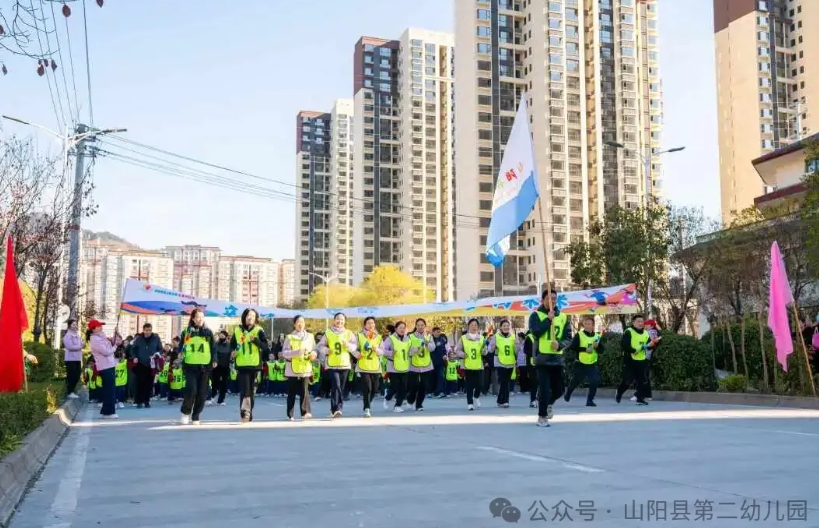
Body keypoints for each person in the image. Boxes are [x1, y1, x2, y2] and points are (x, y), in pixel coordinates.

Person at [529, 289, 573, 427]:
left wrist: (559, 345)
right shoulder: (536, 315)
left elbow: (568, 338)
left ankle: (548, 403)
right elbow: (535, 332)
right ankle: (542, 416)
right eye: (549, 298)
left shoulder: (563, 316)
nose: (552, 301)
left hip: (557, 359)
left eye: (554, 298)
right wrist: (548, 320)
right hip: (542, 358)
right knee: (544, 388)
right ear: (543, 300)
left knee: (559, 389)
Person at [179, 309, 217, 425]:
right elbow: (181, 346)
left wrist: (214, 360)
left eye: (202, 317)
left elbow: (213, 348)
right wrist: (180, 353)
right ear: (193, 318)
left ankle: (196, 415)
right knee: (191, 390)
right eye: (198, 317)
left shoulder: (208, 332)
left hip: (205, 366)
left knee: (202, 392)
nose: (200, 319)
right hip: (190, 366)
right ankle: (186, 412)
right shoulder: (187, 332)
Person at [231, 308, 269, 423]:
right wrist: (232, 352)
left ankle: (248, 413)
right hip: (242, 364)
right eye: (248, 315)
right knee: (245, 390)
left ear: (256, 318)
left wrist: (255, 340)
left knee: (251, 391)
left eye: (253, 316)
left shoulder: (259, 330)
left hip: (254, 365)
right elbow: (232, 345)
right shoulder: (237, 330)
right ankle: (245, 414)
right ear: (244, 317)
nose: (250, 317)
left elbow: (265, 346)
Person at [317, 313, 357, 418]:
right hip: (332, 364)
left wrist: (347, 345)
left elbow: (354, 346)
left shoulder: (349, 333)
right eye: (338, 319)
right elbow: (320, 346)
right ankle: (337, 409)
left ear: (345, 321)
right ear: (334, 320)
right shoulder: (328, 332)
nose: (340, 321)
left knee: (340, 387)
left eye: (342, 319)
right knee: (336, 386)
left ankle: (335, 408)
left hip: (344, 364)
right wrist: (326, 350)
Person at [616, 314, 657, 406]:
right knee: (628, 380)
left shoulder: (646, 333)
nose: (640, 323)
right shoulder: (629, 331)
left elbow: (649, 346)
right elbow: (624, 345)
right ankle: (619, 392)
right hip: (630, 360)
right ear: (633, 322)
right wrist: (633, 351)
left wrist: (651, 345)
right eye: (638, 321)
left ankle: (640, 399)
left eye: (642, 321)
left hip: (642, 360)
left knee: (642, 380)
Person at [282, 315, 316, 420]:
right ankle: (290, 414)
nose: (300, 324)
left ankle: (305, 412)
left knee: (304, 391)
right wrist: (297, 352)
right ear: (294, 324)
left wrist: (314, 354)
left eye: (302, 322)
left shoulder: (310, 336)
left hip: (305, 368)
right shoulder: (289, 337)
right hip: (292, 368)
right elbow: (285, 353)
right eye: (298, 322)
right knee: (291, 392)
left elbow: (314, 349)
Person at [563, 316, 604, 407]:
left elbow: (602, 350)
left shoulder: (597, 336)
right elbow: (573, 347)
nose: (587, 326)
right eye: (586, 324)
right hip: (580, 363)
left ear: (593, 326)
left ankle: (590, 401)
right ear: (584, 325)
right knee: (576, 381)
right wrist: (585, 349)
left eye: (589, 324)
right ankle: (568, 393)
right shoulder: (579, 335)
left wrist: (597, 347)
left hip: (592, 363)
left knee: (594, 381)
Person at [454, 319, 488, 411]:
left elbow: (485, 350)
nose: (474, 327)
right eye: (472, 325)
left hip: (479, 365)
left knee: (480, 384)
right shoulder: (463, 338)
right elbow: (457, 350)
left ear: (478, 327)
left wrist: (484, 351)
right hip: (467, 365)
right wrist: (462, 354)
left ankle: (476, 396)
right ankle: (470, 403)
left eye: (476, 325)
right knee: (469, 385)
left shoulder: (481, 338)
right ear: (468, 326)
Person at [128, 323, 163, 409]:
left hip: (152, 364)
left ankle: (147, 401)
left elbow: (160, 349)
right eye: (146, 330)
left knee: (149, 384)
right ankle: (139, 401)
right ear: (143, 330)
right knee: (140, 383)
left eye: (149, 330)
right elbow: (133, 349)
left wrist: (157, 354)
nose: (148, 332)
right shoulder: (138, 339)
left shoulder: (156, 338)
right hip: (140, 363)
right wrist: (134, 357)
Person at [353, 316, 383, 418]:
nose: (371, 325)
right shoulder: (359, 336)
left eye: (372, 323)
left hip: (375, 366)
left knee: (375, 388)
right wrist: (357, 354)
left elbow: (382, 351)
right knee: (368, 387)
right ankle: (367, 408)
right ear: (365, 325)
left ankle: (367, 403)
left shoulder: (379, 337)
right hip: (363, 365)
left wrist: (376, 350)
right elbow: (353, 348)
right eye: (368, 323)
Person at [88, 319, 118, 419]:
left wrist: (115, 334)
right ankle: (109, 412)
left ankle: (106, 411)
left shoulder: (101, 337)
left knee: (109, 390)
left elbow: (110, 345)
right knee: (109, 390)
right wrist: (115, 347)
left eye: (101, 325)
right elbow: (106, 352)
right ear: (93, 329)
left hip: (109, 365)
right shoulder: (95, 339)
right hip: (105, 367)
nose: (101, 327)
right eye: (99, 326)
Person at [381, 321, 411, 413]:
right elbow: (382, 350)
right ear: (396, 329)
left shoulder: (407, 339)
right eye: (400, 328)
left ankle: (398, 406)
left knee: (403, 387)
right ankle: (387, 397)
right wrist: (390, 353)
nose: (402, 330)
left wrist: (416, 350)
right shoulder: (390, 339)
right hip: (393, 366)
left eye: (404, 328)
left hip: (404, 366)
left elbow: (409, 350)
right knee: (395, 386)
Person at [489, 320, 520, 408]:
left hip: (510, 361)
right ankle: (506, 401)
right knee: (504, 381)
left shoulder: (513, 337)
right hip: (499, 362)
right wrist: (492, 346)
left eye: (507, 325)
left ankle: (499, 400)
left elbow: (517, 351)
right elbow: (490, 349)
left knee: (506, 382)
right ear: (501, 327)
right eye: (504, 325)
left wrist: (517, 345)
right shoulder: (496, 336)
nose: (506, 327)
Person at [406, 318, 434, 411]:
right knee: (414, 385)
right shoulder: (410, 336)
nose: (420, 327)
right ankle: (410, 400)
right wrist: (414, 350)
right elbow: (408, 351)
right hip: (414, 365)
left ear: (425, 326)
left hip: (426, 365)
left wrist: (427, 344)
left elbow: (432, 348)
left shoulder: (428, 336)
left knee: (423, 386)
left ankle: (419, 405)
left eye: (422, 325)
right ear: (416, 326)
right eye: (418, 325)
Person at [62, 319, 84, 399]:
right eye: (73, 324)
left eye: (76, 324)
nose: (75, 326)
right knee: (71, 376)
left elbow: (80, 344)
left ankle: (71, 391)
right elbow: (70, 347)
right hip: (70, 359)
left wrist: (82, 344)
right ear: (69, 325)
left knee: (77, 375)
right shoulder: (67, 336)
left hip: (77, 358)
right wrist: (80, 347)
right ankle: (69, 392)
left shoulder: (77, 335)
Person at [210, 330, 231, 406]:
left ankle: (221, 400)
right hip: (217, 366)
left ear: (226, 337)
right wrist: (214, 361)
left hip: (225, 366)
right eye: (220, 336)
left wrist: (232, 359)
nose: (221, 337)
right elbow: (214, 353)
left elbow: (232, 355)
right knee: (215, 382)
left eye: (223, 336)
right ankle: (213, 395)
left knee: (224, 383)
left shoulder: (229, 345)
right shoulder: (216, 344)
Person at [431, 327, 448, 398]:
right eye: (437, 332)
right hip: (432, 362)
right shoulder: (430, 339)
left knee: (441, 377)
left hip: (440, 362)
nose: (438, 333)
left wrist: (445, 355)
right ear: (433, 332)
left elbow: (444, 349)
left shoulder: (442, 340)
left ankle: (440, 392)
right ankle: (433, 392)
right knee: (433, 378)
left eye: (439, 332)